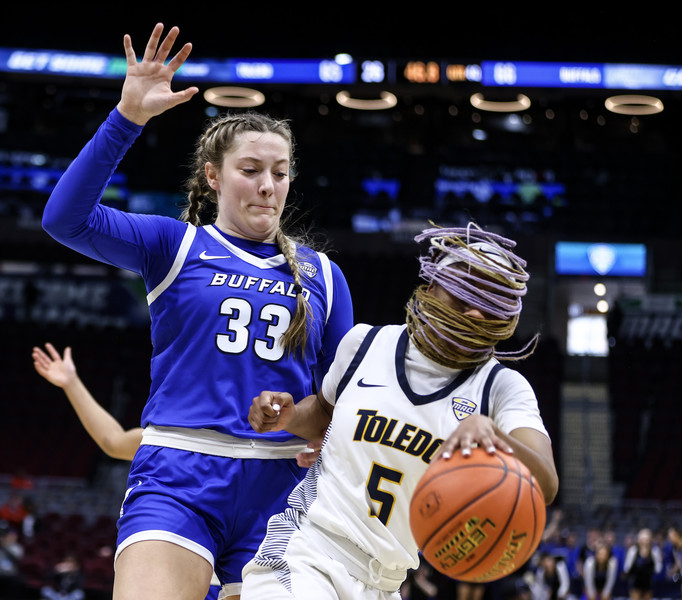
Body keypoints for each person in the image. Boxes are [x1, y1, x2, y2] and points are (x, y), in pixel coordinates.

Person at [41, 23, 354, 600]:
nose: (268, 186)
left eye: (280, 173)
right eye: (251, 170)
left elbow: (338, 409)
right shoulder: (174, 245)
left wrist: (292, 414)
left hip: (281, 486)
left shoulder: (324, 277)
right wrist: (126, 119)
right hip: (180, 473)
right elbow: (65, 220)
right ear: (213, 176)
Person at [242, 223, 559, 600]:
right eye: (463, 295)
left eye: (487, 305)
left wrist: (497, 436)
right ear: (432, 286)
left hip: (387, 584)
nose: (473, 313)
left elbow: (547, 483)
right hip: (309, 552)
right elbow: (326, 414)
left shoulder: (502, 388)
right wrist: (291, 417)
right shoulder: (365, 343)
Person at [32, 342, 225, 600]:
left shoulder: (273, 442)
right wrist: (71, 382)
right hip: (187, 575)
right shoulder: (171, 438)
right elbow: (113, 441)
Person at [623, 528, 663, 600]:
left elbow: (658, 568)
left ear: (650, 539)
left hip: (648, 583)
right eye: (642, 539)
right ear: (639, 539)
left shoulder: (655, 551)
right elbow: (627, 567)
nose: (644, 541)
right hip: (635, 582)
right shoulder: (633, 551)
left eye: (646, 539)